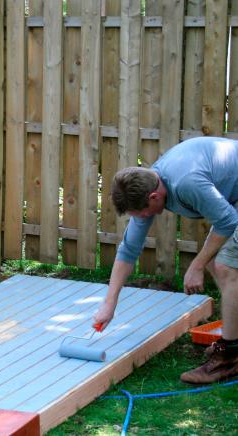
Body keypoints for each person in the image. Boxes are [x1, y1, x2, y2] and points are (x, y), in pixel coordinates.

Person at [93, 136, 238, 384]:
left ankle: (230, 357)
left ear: (153, 197)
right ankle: (232, 339)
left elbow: (227, 222)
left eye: (141, 213)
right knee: (219, 264)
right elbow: (128, 251)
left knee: (224, 267)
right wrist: (109, 303)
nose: (142, 218)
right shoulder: (151, 183)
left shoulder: (186, 182)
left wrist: (196, 265)